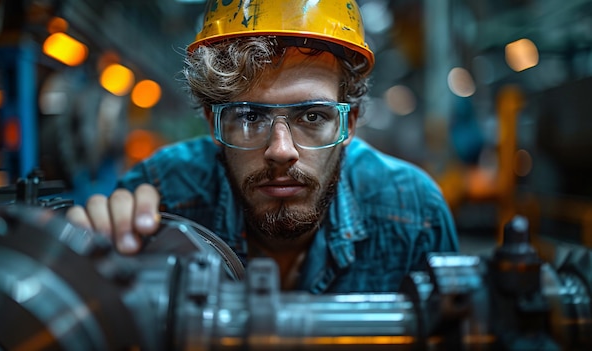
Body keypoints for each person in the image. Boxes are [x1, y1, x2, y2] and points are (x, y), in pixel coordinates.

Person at [66, 0, 459, 293]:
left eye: (312, 117)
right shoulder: (161, 200)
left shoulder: (414, 215)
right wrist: (93, 255)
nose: (281, 150)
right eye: (250, 116)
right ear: (212, 122)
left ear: (349, 122)